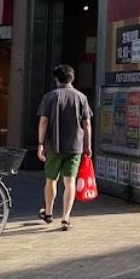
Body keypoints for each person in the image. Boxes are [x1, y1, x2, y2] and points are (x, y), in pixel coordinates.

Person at [36, 64, 92, 231]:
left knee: (51, 179)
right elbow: (87, 124)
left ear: (56, 79)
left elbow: (43, 121)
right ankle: (66, 218)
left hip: (53, 145)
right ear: (72, 78)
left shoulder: (49, 97)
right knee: (70, 181)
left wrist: (40, 143)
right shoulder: (81, 97)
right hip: (75, 146)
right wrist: (87, 145)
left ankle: (48, 212)